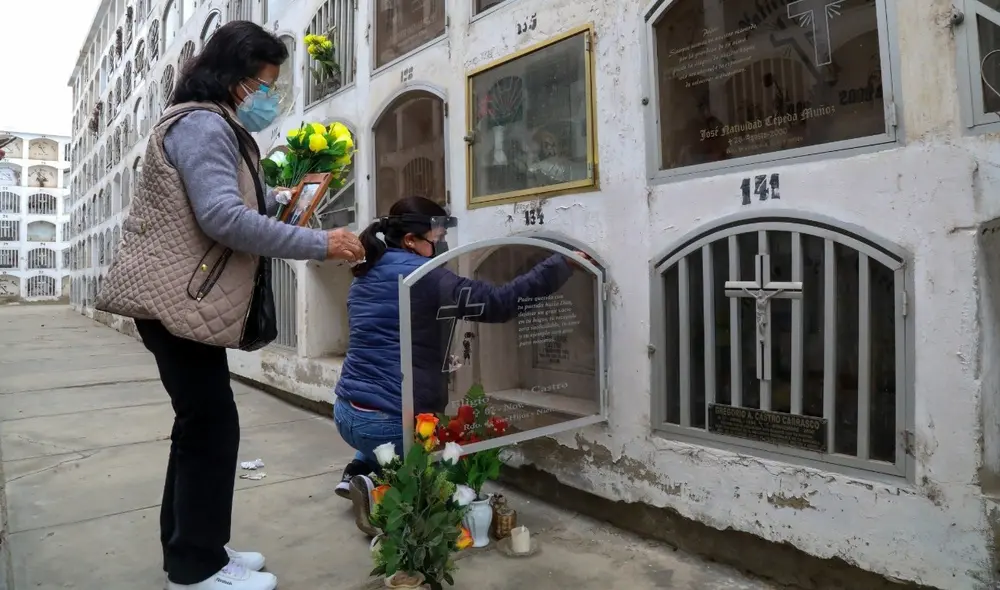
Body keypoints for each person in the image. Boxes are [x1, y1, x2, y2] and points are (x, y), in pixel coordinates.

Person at [95, 21, 364, 590]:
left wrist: (285, 198)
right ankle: (196, 568)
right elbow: (222, 218)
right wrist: (321, 242)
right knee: (212, 427)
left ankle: (197, 550)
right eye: (264, 82)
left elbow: (238, 199)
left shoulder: (214, 125)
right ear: (236, 77)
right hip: (176, 303)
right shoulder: (201, 125)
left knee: (201, 425)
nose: (268, 94)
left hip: (182, 305)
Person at [331, 195, 581, 536]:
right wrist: (562, 264)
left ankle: (360, 470)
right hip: (390, 424)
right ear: (410, 240)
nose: (442, 241)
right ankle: (382, 500)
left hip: (347, 414)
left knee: (385, 427)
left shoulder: (366, 271)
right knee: (455, 486)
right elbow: (497, 303)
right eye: (436, 235)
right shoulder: (423, 275)